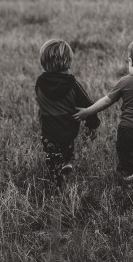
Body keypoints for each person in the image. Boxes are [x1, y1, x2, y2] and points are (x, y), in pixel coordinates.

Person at [73, 38, 133, 186]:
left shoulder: (124, 81)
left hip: (127, 129)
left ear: (131, 61)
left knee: (124, 153)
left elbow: (106, 101)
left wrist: (88, 111)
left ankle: (127, 174)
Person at [36, 39, 100, 186]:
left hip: (48, 130)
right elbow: (88, 105)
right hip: (68, 129)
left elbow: (40, 101)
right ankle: (66, 162)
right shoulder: (72, 84)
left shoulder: (40, 82)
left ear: (43, 61)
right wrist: (92, 124)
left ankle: (56, 176)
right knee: (67, 146)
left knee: (51, 154)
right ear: (69, 62)